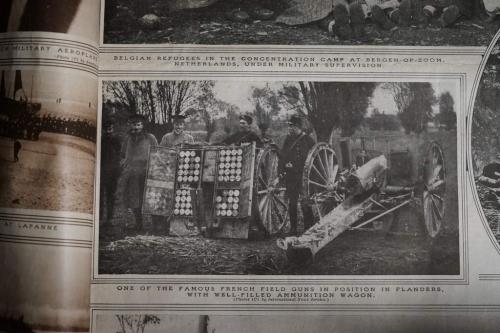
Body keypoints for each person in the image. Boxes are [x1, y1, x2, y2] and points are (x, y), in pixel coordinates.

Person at [151, 114, 194, 234]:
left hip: (183, 171)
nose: (178, 127)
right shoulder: (167, 137)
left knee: (181, 194)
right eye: (176, 124)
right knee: (167, 195)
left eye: (181, 124)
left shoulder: (189, 138)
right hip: (169, 171)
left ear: (184, 125)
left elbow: (193, 154)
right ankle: (164, 222)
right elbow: (160, 153)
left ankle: (179, 222)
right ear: (173, 125)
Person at [278, 115, 316, 236]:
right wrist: (283, 168)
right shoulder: (288, 140)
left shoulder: (309, 141)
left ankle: (308, 226)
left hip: (304, 177)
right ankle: (293, 228)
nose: (290, 129)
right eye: (289, 126)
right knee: (292, 202)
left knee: (305, 201)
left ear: (298, 127)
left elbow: (314, 159)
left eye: (292, 126)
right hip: (291, 177)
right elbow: (283, 156)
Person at [120, 114, 158, 231]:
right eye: (133, 124)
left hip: (147, 173)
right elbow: (122, 154)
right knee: (134, 199)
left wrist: (154, 169)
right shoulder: (128, 138)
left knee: (150, 198)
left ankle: (155, 224)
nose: (136, 127)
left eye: (138, 124)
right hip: (132, 174)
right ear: (130, 126)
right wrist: (124, 165)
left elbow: (158, 153)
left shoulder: (150, 138)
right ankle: (139, 223)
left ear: (142, 125)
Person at [100, 119, 122, 228]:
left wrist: (117, 170)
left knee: (111, 196)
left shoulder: (116, 140)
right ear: (104, 129)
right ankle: (99, 218)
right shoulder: (101, 140)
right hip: (102, 171)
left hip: (113, 172)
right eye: (107, 128)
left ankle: (110, 218)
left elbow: (119, 155)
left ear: (113, 129)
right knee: (100, 196)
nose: (109, 130)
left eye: (111, 128)